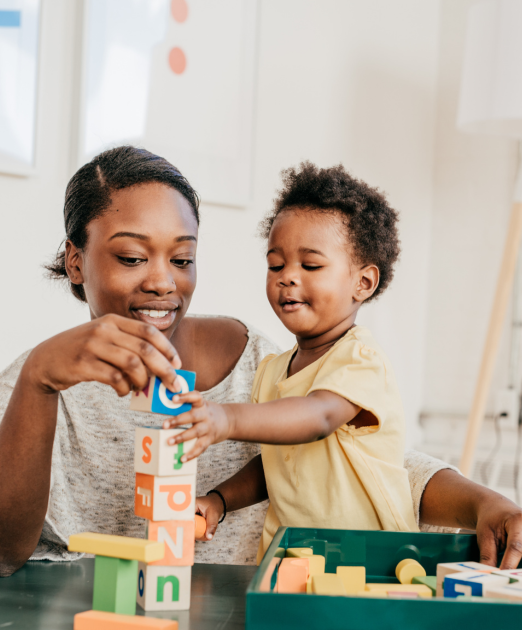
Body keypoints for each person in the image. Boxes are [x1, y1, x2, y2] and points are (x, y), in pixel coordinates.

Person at [0, 146, 522, 578]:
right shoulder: (30, 386)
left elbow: (371, 462)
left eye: (182, 259)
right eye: (129, 257)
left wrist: (489, 502)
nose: (161, 282)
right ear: (76, 262)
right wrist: (39, 382)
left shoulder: (265, 359)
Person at [165, 162, 418, 560]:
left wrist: (226, 419)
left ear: (362, 283)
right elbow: (277, 465)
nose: (287, 277)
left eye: (311, 265)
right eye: (276, 265)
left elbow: (317, 418)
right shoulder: (272, 371)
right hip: (292, 561)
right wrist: (219, 500)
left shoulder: (360, 359)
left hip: (370, 563)